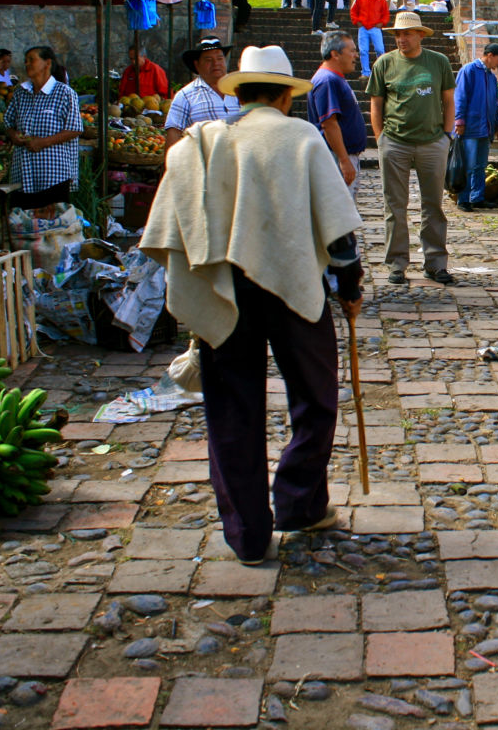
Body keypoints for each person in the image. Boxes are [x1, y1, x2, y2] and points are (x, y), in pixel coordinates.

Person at [141, 44, 364, 564]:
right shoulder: (301, 137)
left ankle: (247, 534)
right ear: (287, 97)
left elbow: (175, 205)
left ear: (239, 93)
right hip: (294, 289)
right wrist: (349, 288)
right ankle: (298, 503)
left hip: (226, 289)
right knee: (316, 399)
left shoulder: (205, 142)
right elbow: (339, 234)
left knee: (231, 410)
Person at [367, 12, 455, 286]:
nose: (401, 39)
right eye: (397, 34)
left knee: (434, 206)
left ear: (420, 34)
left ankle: (435, 263)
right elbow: (376, 104)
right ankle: (396, 264)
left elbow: (449, 100)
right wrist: (381, 139)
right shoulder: (385, 63)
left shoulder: (437, 62)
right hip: (395, 142)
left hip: (432, 142)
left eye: (406, 34)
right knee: (395, 206)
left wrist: (447, 136)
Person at [4, 46, 81, 210]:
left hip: (53, 176)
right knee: (25, 226)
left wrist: (43, 142)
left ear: (47, 63)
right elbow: (8, 122)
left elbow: (75, 128)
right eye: (26, 60)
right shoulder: (20, 93)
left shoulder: (65, 93)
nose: (27, 64)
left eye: (32, 60)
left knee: (53, 228)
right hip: (23, 174)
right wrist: (13, 135)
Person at [309, 32, 367, 197]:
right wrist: (344, 160)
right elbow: (329, 123)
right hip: (337, 157)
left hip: (344, 155)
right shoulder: (327, 80)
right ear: (335, 54)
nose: (356, 55)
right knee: (342, 213)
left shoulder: (334, 78)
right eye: (352, 51)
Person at [165, 36, 240, 149]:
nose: (216, 63)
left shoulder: (239, 90)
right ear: (197, 65)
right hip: (204, 164)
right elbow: (174, 134)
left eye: (220, 58)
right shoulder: (185, 96)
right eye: (208, 60)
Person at [454, 44, 498, 211]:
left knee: (480, 165)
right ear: (490, 55)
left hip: (485, 128)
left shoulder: (491, 77)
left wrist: (497, 124)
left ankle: (477, 197)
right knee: (468, 164)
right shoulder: (469, 71)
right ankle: (463, 198)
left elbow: (494, 103)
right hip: (472, 126)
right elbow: (460, 96)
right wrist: (459, 120)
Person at [350, 0, 389, 78]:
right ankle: (365, 72)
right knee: (363, 51)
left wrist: (382, 23)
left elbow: (386, 14)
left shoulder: (382, 0)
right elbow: (353, 11)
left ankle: (380, 72)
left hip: (375, 27)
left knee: (380, 49)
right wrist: (357, 21)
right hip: (363, 27)